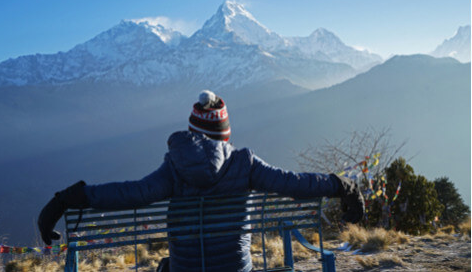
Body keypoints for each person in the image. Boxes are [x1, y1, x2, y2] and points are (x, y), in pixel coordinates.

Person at [38, 90, 364, 272]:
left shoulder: (173, 169)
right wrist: (342, 187)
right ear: (225, 134)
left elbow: (131, 194)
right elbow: (294, 183)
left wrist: (66, 199)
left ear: (193, 132)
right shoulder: (245, 164)